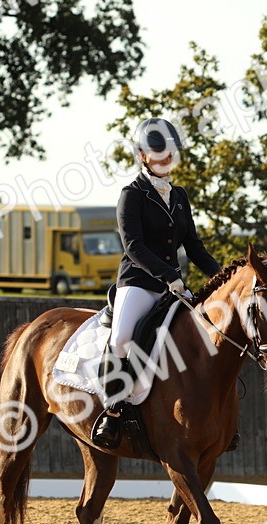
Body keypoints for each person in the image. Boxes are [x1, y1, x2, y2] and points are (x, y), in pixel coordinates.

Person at [90, 118, 223, 449]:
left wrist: (223, 278)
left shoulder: (180, 196)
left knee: (204, 338)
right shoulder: (131, 195)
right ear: (142, 155)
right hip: (138, 282)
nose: (165, 158)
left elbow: (193, 247)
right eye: (158, 152)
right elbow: (133, 246)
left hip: (173, 286)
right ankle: (113, 410)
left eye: (170, 153)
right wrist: (169, 276)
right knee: (122, 337)